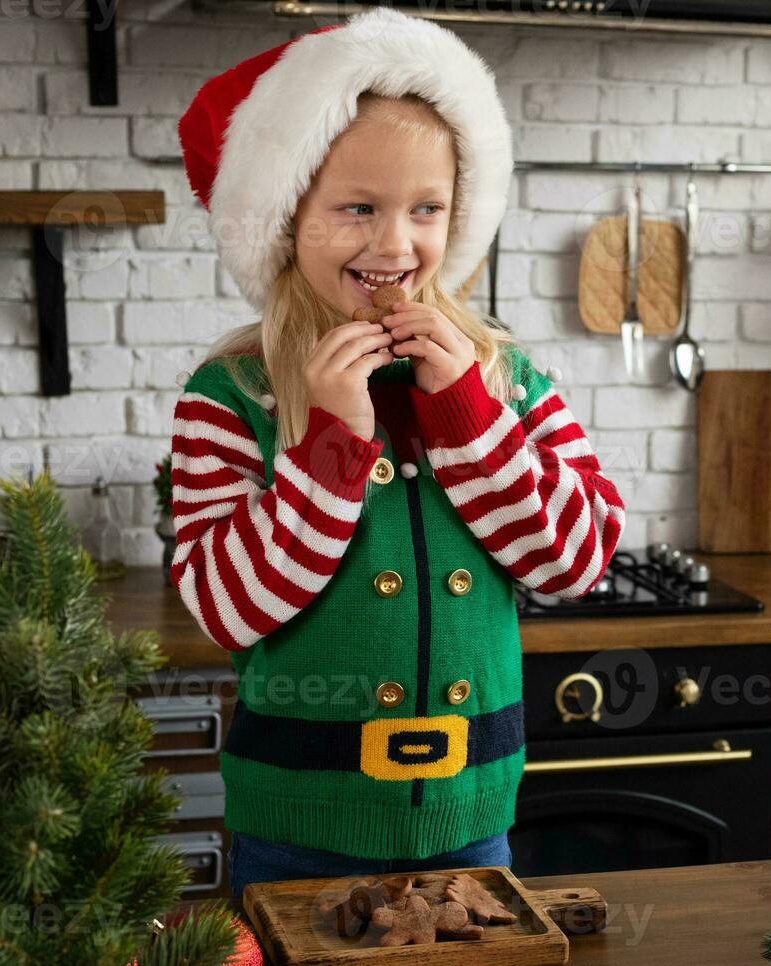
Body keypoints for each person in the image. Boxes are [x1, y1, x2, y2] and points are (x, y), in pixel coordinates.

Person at [170, 7, 625, 899]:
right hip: (298, 829)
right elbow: (228, 610)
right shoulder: (232, 395)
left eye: (426, 209)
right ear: (285, 220)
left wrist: (466, 415)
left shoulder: (507, 378)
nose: (394, 243)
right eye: (356, 209)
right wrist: (330, 442)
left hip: (470, 822)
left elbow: (573, 563)